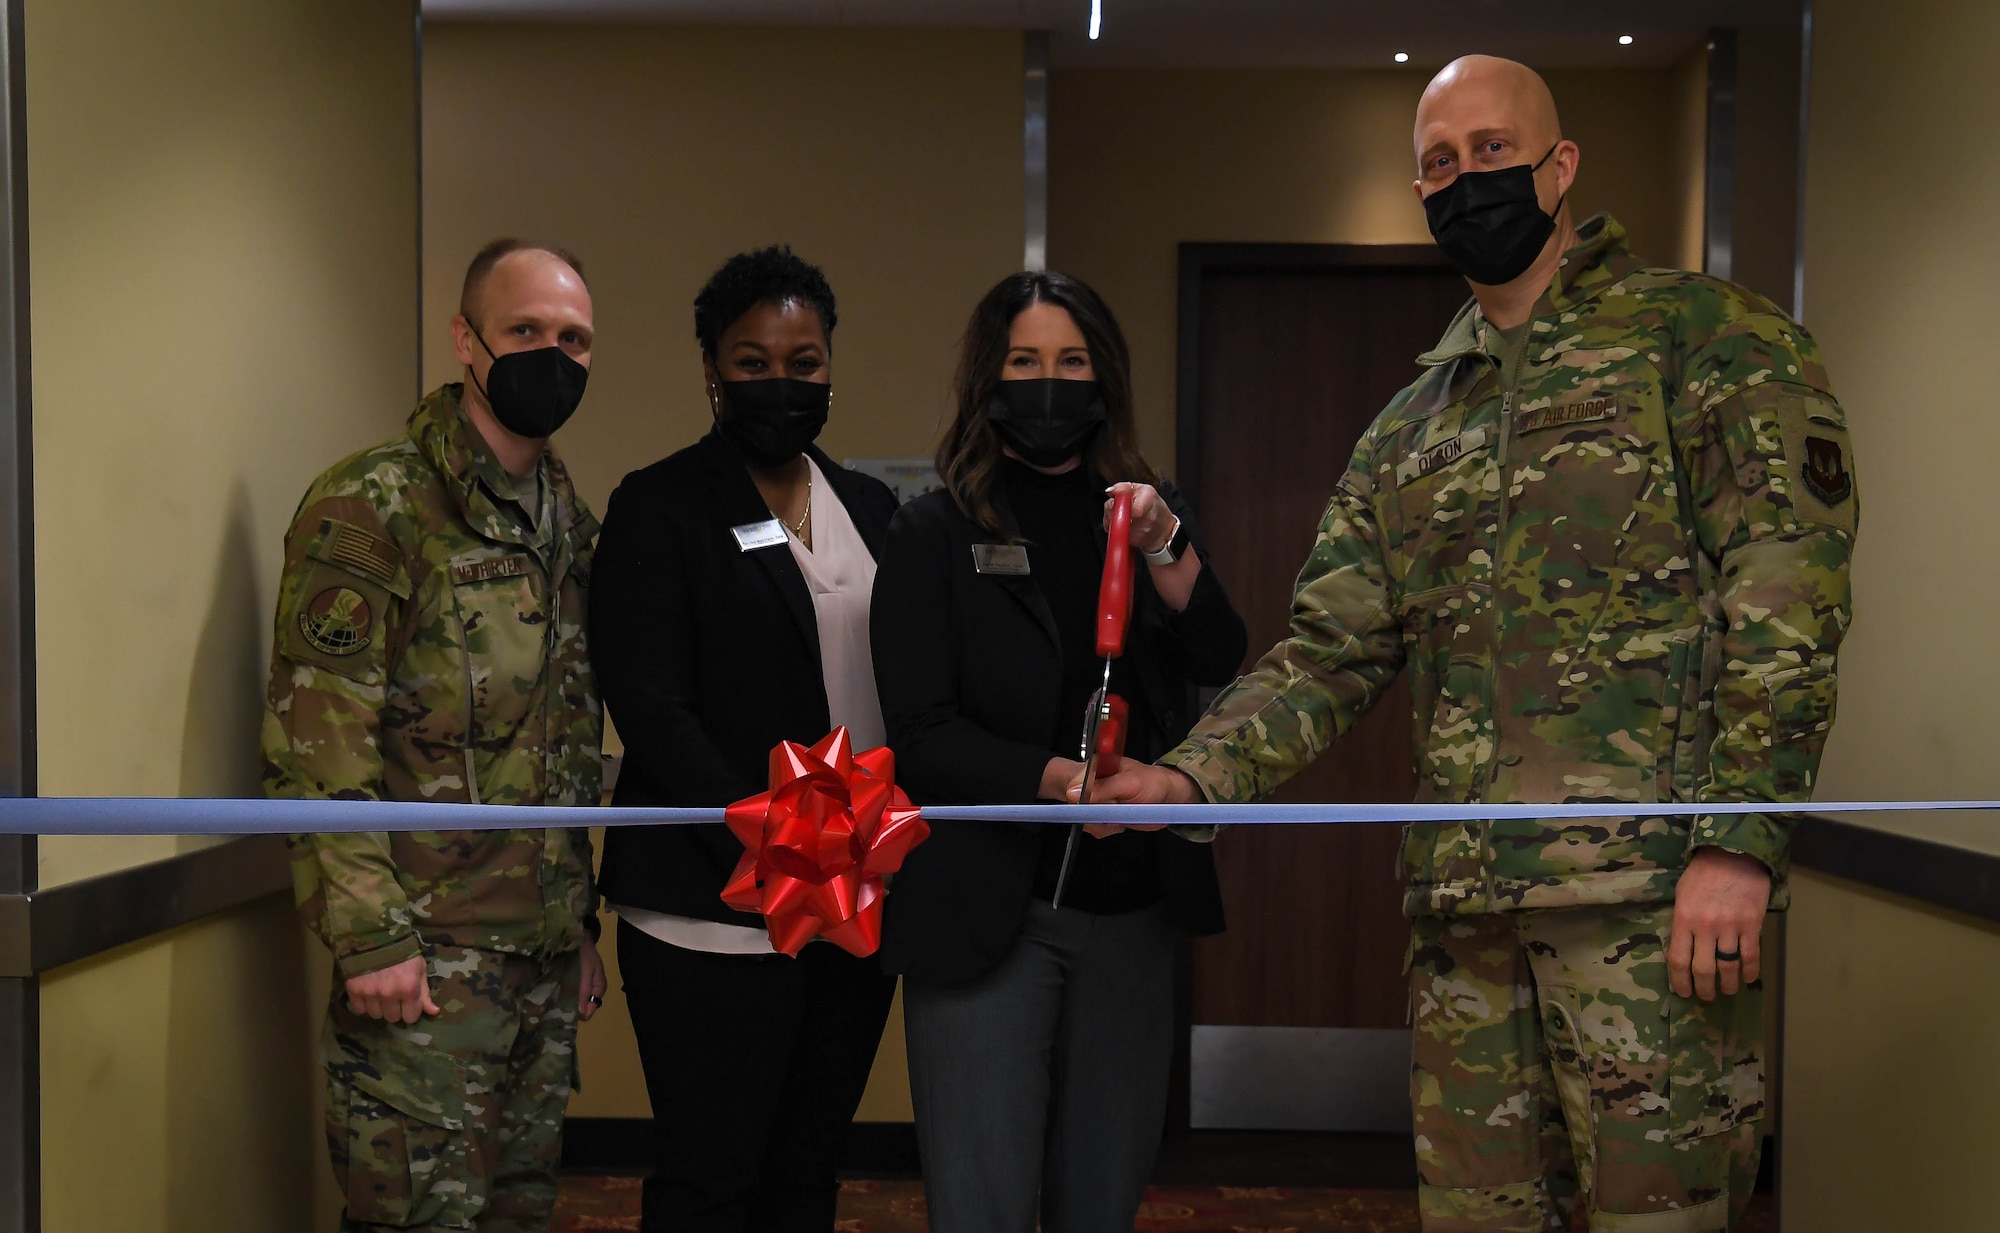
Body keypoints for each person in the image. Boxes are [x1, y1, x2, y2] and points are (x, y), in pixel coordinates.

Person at [1093, 55, 1857, 1232]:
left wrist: (1739, 845)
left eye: (1491, 152)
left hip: (1644, 915)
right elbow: (1328, 653)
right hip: (1462, 929)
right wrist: (1188, 772)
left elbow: (1783, 594)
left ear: (1558, 168)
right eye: (1438, 164)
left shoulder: (1702, 338)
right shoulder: (1409, 425)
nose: (1465, 180)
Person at [870, 271, 1249, 1233]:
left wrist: (1168, 545)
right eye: (1026, 362)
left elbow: (1219, 651)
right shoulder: (930, 531)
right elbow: (922, 734)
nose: (1050, 383)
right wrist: (1053, 780)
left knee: (1102, 1199)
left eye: (1072, 362)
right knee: (982, 1202)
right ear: (986, 380)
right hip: (988, 911)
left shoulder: (1144, 513)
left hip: (1129, 914)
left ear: (1105, 378)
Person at [263, 238, 610, 1233]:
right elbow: (317, 740)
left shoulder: (567, 527)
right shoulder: (376, 507)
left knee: (519, 1214)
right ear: (466, 338)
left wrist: (576, 923)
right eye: (526, 331)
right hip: (419, 975)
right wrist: (369, 935)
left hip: (539, 964)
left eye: (574, 339)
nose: (553, 354)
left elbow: (561, 739)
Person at [590, 245, 901, 1232]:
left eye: (803, 362)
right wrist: (778, 837)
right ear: (712, 370)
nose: (780, 382)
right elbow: (649, 706)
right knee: (710, 1181)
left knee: (805, 1177)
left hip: (850, 905)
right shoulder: (660, 504)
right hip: (708, 907)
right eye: (752, 360)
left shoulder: (874, 510)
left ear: (828, 367)